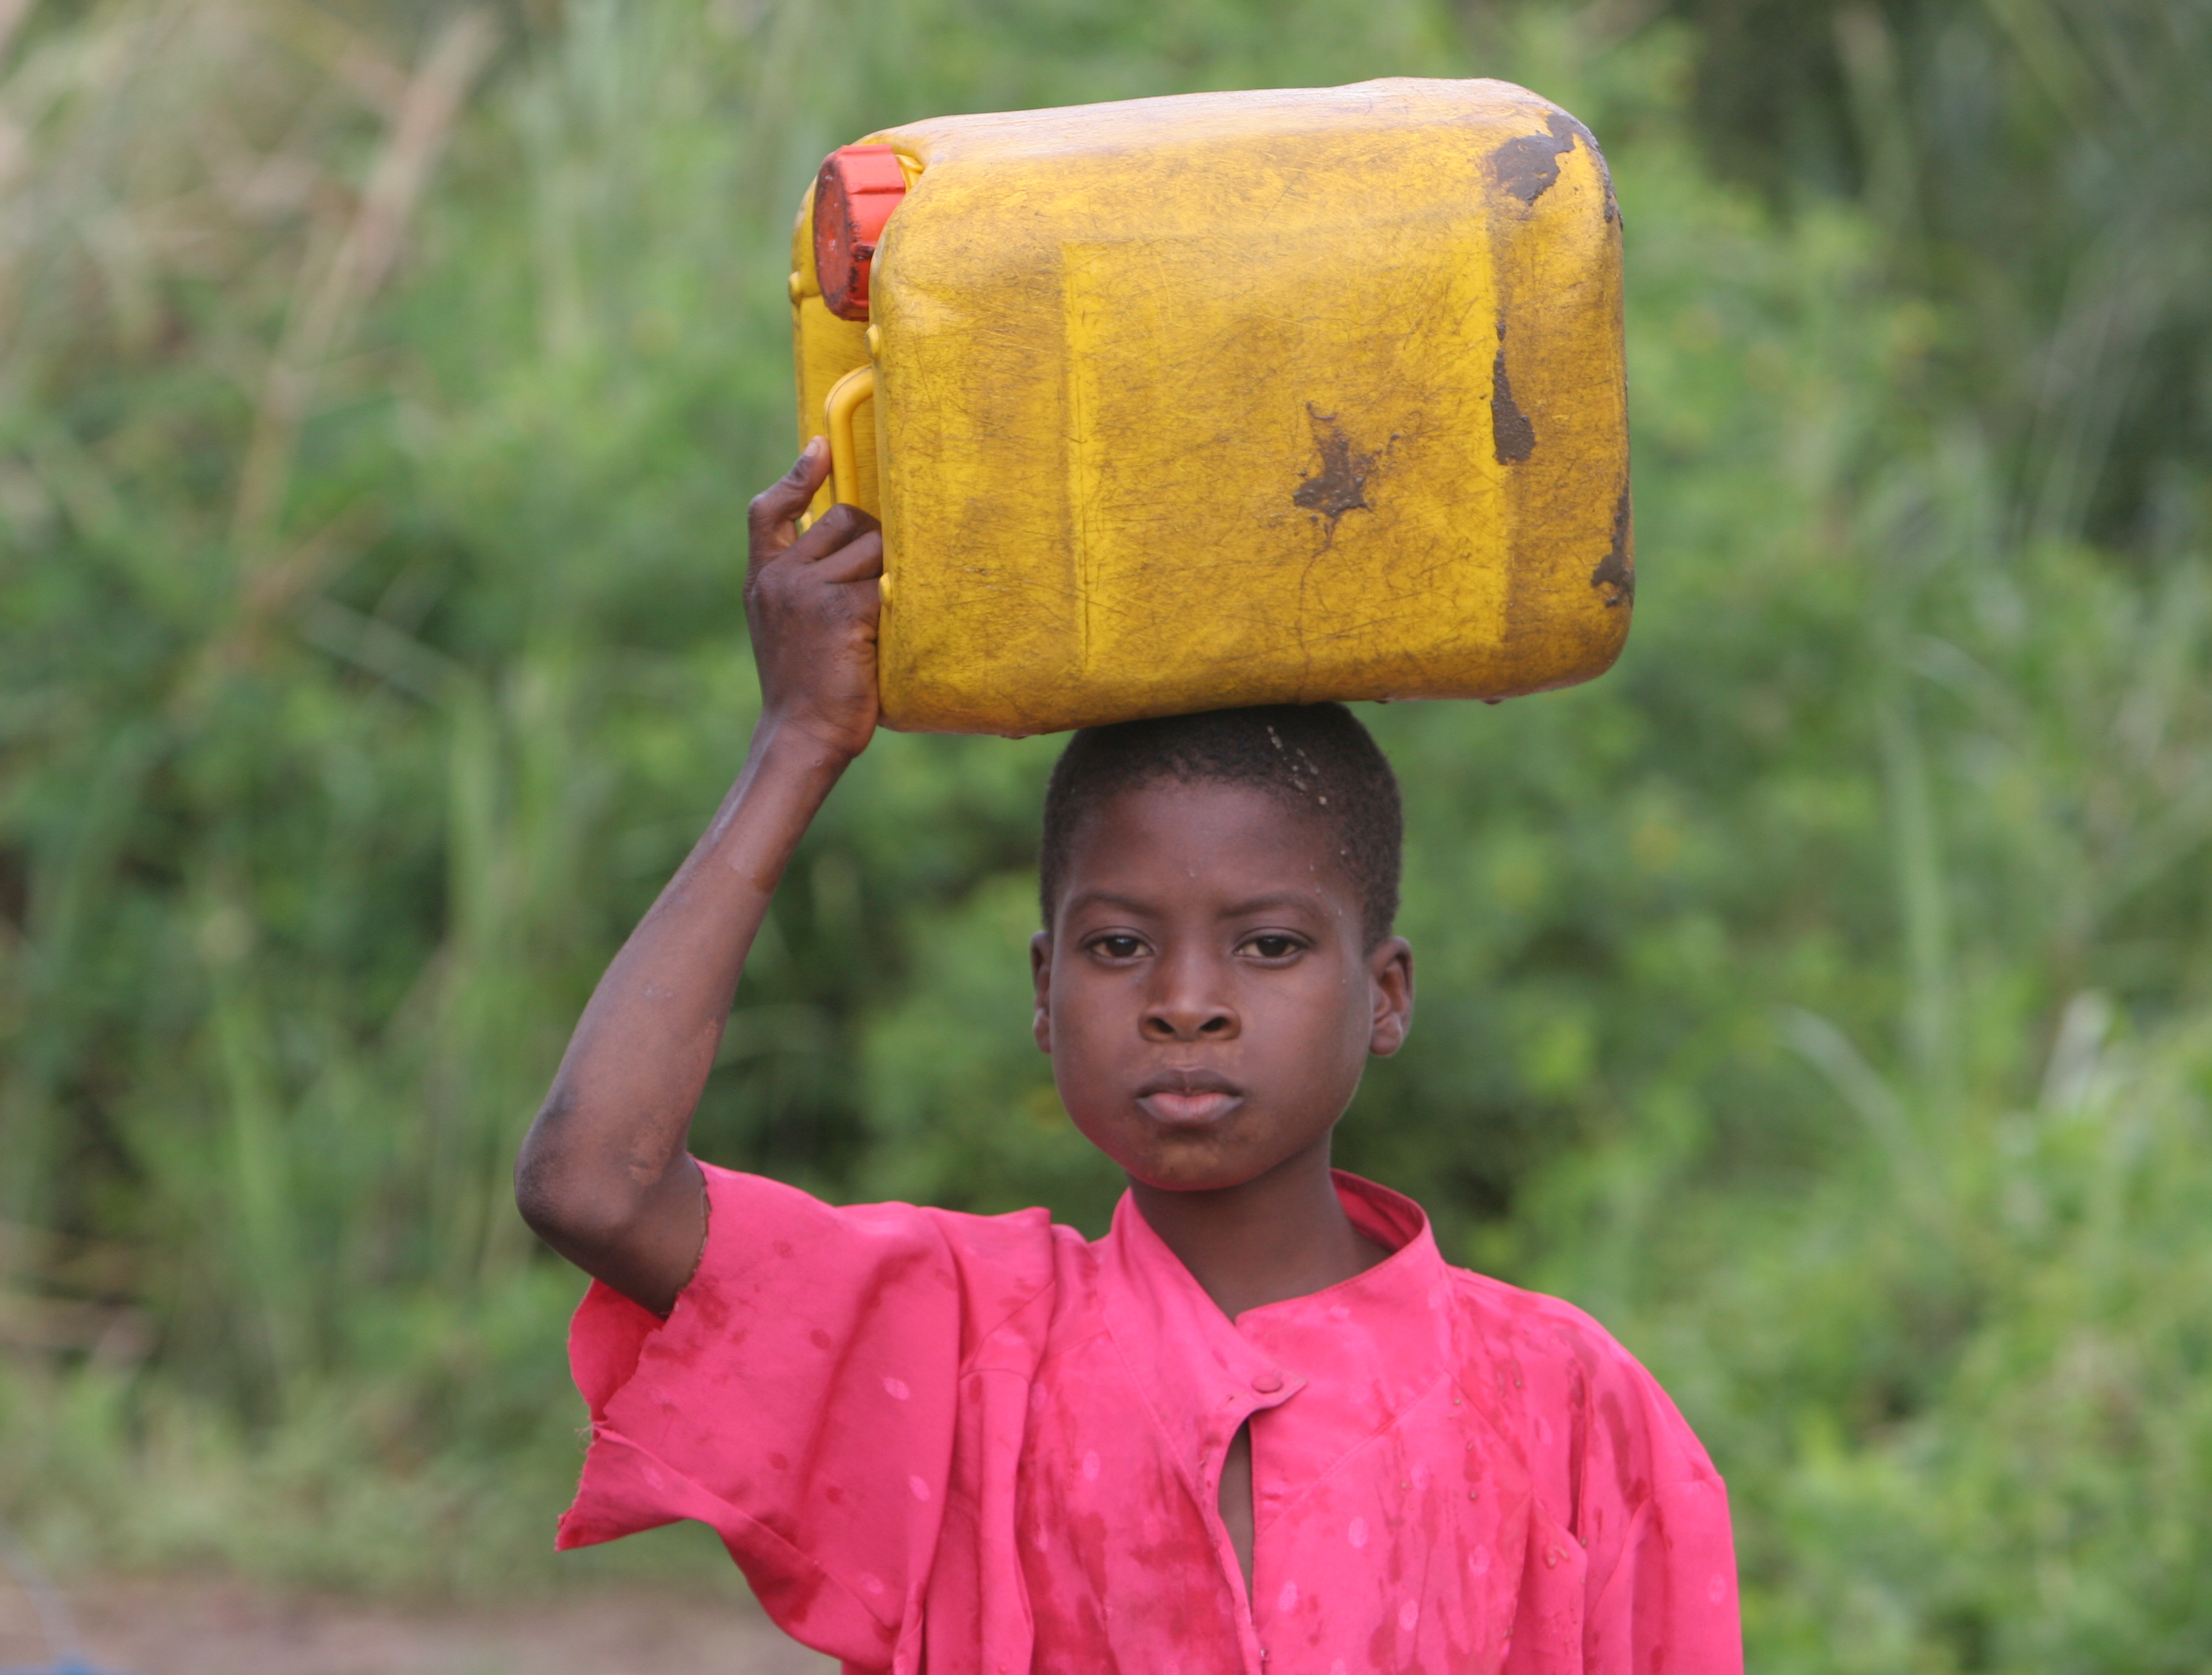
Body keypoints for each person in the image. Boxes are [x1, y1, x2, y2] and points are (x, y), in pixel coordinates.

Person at [515, 439, 1743, 1674]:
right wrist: (799, 738)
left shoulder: (1564, 1400)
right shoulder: (960, 1348)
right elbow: (593, 1185)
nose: (1186, 1003)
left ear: (1384, 995)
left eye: (1269, 946)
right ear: (1045, 993)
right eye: (1118, 946)